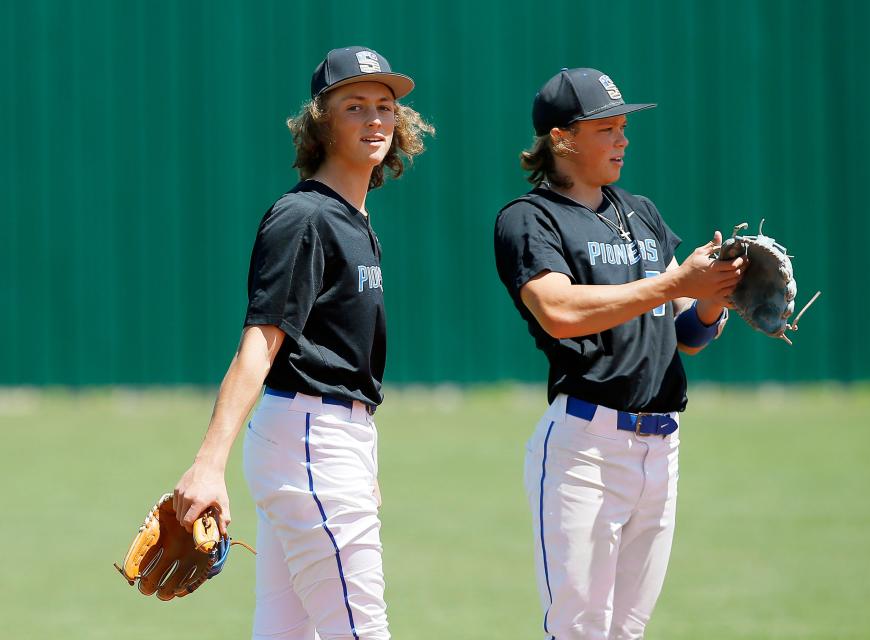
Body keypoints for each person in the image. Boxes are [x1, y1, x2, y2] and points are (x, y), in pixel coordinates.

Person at [173, 46, 433, 640]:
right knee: (361, 630)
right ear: (321, 121)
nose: (375, 120)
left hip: (326, 441)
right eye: (355, 106)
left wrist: (361, 455)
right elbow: (259, 345)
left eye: (386, 107)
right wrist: (208, 465)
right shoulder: (304, 217)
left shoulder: (354, 219)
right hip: (310, 439)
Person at [493, 67, 747, 639]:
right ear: (561, 138)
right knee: (580, 630)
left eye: (623, 126)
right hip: (587, 448)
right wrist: (676, 283)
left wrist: (714, 298)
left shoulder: (641, 212)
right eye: (607, 127)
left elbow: (688, 335)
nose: (623, 139)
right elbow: (557, 310)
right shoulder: (530, 219)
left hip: (661, 447)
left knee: (626, 632)